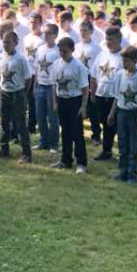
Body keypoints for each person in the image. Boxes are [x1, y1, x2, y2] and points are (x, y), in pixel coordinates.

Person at [108, 46, 137, 182]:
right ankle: (123, 171)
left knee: (133, 145)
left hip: (134, 113)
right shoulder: (120, 74)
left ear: (135, 61)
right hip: (121, 112)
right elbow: (116, 96)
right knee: (122, 143)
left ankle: (132, 173)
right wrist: (112, 113)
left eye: (127, 61)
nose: (124, 63)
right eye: (123, 61)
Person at [50, 37, 90, 174]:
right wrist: (55, 102)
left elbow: (85, 89)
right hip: (62, 100)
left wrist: (83, 106)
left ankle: (81, 162)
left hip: (75, 100)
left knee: (76, 133)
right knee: (65, 131)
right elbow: (54, 85)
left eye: (65, 51)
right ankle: (65, 159)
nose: (62, 54)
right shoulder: (56, 65)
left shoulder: (79, 67)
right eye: (60, 51)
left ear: (72, 50)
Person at [0, 31, 32, 163]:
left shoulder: (21, 59)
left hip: (17, 92)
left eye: (8, 42)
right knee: (4, 121)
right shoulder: (0, 56)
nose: (5, 45)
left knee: (20, 123)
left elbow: (28, 78)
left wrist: (23, 93)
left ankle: (26, 153)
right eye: (4, 42)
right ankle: (4, 149)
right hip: (4, 92)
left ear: (15, 43)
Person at [90, 26, 123, 160]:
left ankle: (119, 151)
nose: (109, 42)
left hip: (115, 97)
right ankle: (107, 150)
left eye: (111, 39)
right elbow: (93, 75)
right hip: (101, 94)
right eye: (107, 39)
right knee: (105, 123)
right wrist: (93, 93)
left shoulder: (123, 57)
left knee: (115, 125)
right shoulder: (102, 54)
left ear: (119, 40)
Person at [34, 24, 60, 152]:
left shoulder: (57, 51)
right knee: (40, 116)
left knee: (52, 117)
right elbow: (36, 68)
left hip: (52, 87)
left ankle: (54, 143)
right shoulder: (39, 49)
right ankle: (43, 141)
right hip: (40, 85)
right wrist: (35, 85)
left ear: (55, 35)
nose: (46, 35)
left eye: (49, 33)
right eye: (44, 32)